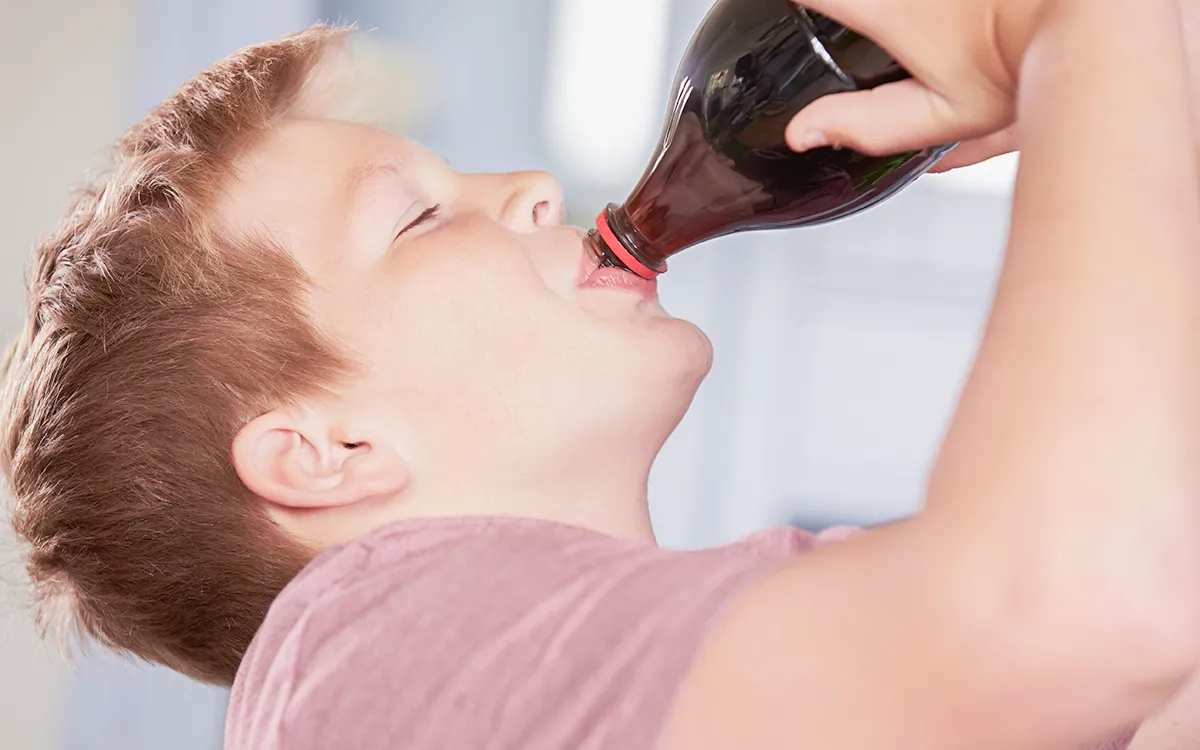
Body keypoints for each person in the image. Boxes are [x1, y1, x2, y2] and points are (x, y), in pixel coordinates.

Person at [2, 0, 1199, 747]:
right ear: (328, 451)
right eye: (419, 219)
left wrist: (1125, 117)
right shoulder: (352, 659)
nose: (528, 184)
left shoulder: (742, 652)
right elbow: (1082, 605)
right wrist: (1088, 35)